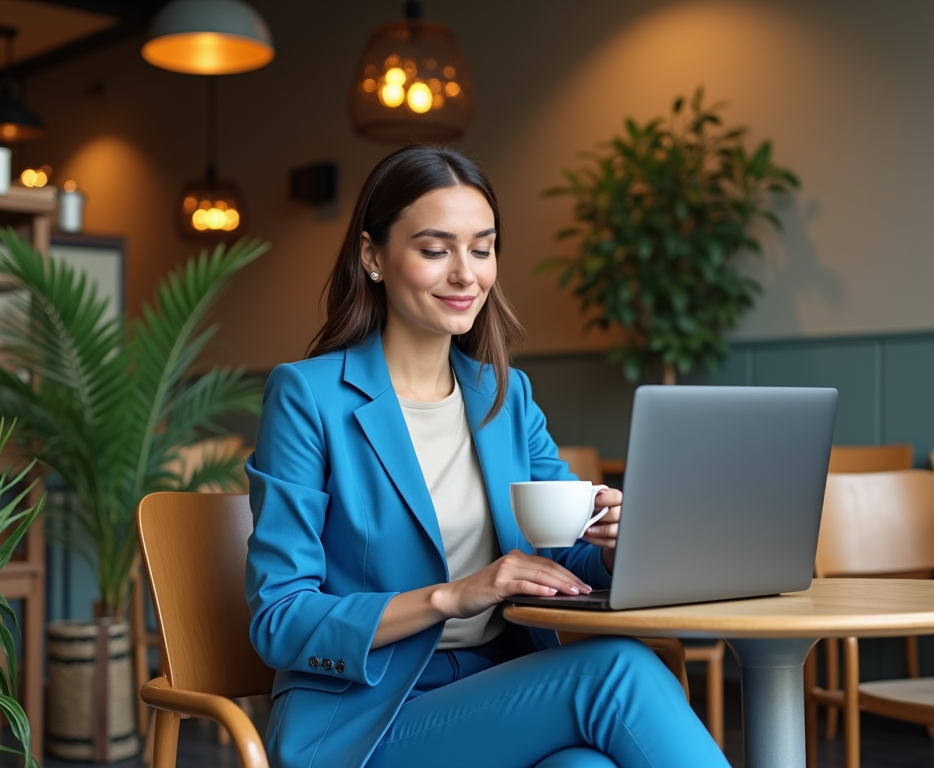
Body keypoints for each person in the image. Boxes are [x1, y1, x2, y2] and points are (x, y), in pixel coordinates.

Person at [245, 145, 728, 768]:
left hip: (499, 691)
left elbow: (563, 554)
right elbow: (280, 619)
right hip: (367, 720)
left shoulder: (504, 395)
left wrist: (617, 542)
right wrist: (452, 595)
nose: (465, 274)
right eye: (434, 249)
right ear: (373, 256)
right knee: (616, 671)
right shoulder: (308, 396)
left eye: (482, 248)